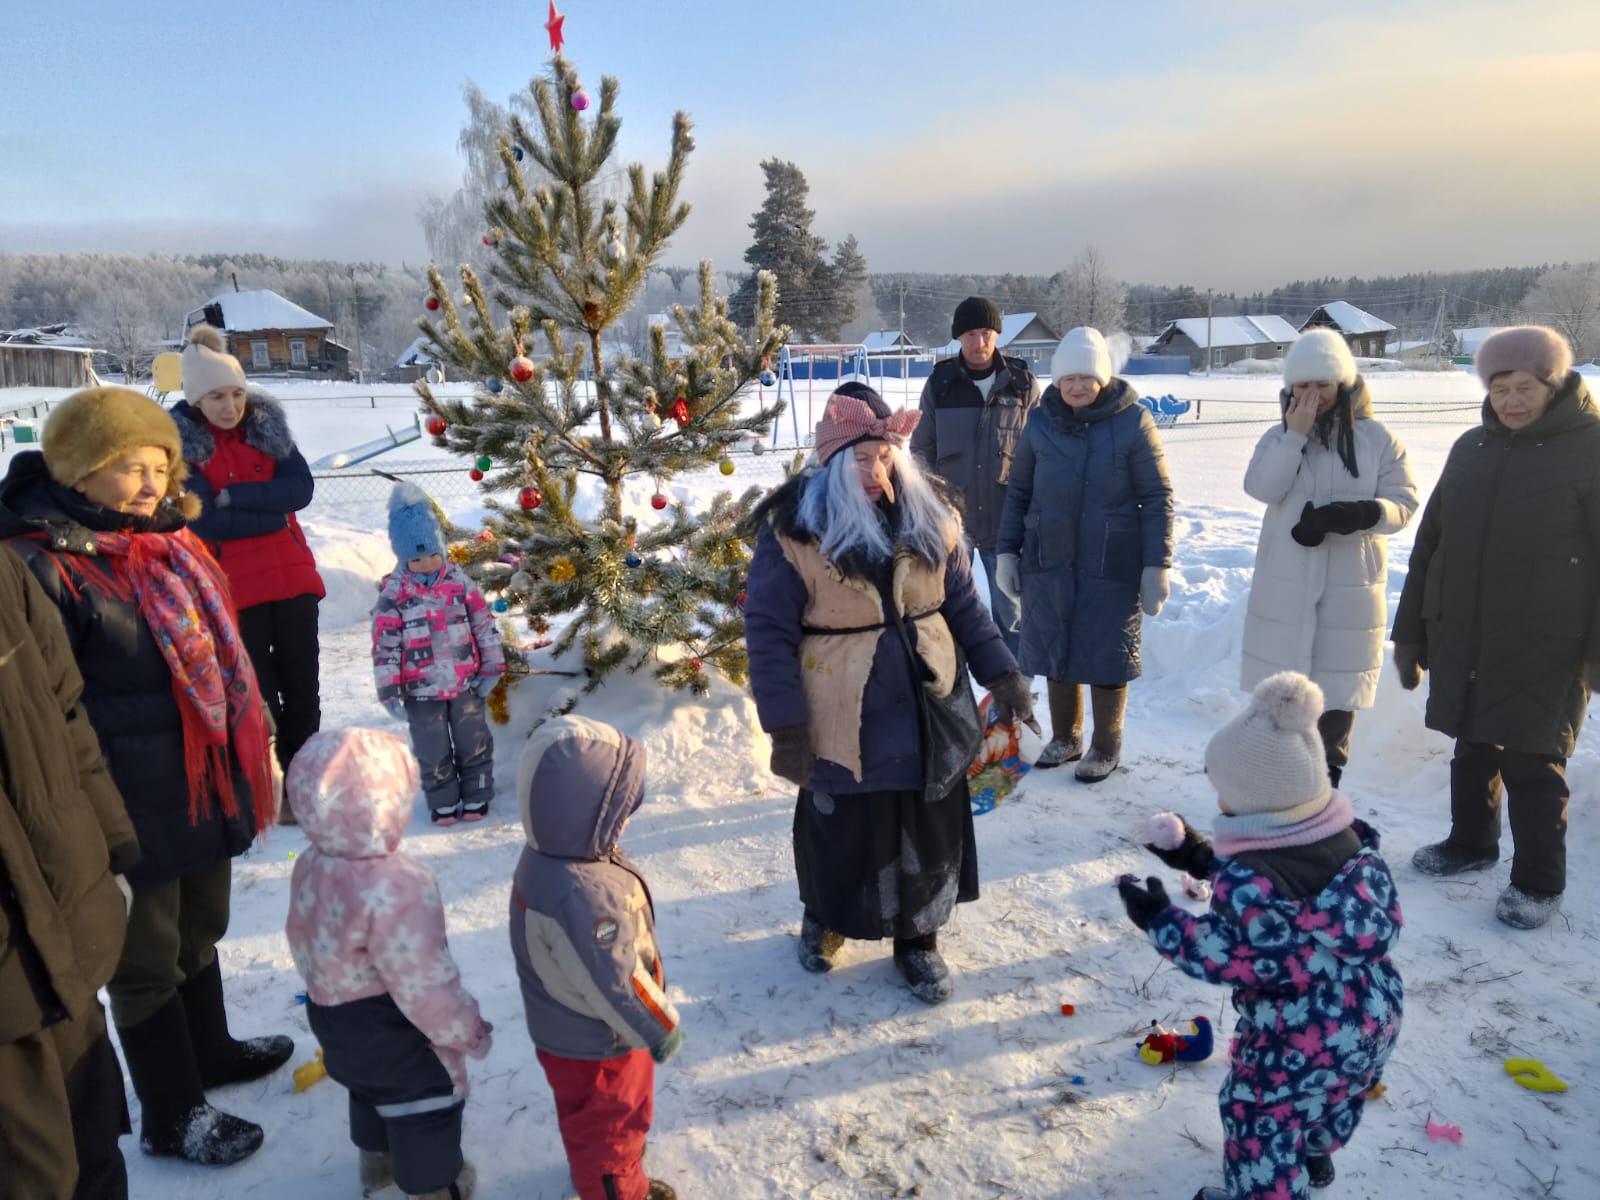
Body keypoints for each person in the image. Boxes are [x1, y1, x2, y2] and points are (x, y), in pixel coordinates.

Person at [0, 386, 290, 1166]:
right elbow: (45, 708)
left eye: (159, 464)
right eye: (128, 467)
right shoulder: (41, 565)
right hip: (125, 796)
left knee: (199, 928)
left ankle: (213, 1052)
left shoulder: (170, 544)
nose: (151, 481)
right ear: (80, 470)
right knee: (145, 958)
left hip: (199, 778)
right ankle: (172, 1111)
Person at [743, 382, 1037, 1004]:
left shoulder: (931, 518)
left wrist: (1003, 675)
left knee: (929, 826)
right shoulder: (793, 534)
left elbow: (964, 606)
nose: (873, 471)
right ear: (829, 463)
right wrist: (787, 727)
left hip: (932, 706)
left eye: (883, 456)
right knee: (842, 824)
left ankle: (919, 941)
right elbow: (767, 636)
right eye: (857, 459)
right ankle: (824, 917)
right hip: (840, 713)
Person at [1116, 672, 1403, 1200]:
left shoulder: (1255, 885)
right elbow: (1284, 900)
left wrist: (1159, 919)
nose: (1219, 801)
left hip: (1301, 1034)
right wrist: (1199, 858)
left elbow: (1221, 954)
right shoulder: (1348, 847)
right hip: (1373, 1016)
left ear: (1258, 806)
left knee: (1259, 1120)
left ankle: (1268, 1187)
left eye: (1226, 793)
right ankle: (1313, 1153)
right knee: (1333, 1095)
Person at [1392, 325, 1599, 929]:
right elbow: (1431, 546)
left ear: (1553, 383)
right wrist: (1412, 633)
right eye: (1500, 387)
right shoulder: (1470, 448)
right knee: (1473, 745)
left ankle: (1537, 883)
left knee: (1534, 761)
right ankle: (1470, 845)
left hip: (1549, 640)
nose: (1511, 400)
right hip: (1467, 631)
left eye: (1525, 387)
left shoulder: (1589, 448)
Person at [286, 728, 490, 1200]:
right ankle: (432, 1187)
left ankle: (378, 1170)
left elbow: (301, 936)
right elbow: (425, 984)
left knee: (369, 1088)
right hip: (391, 1026)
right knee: (425, 1105)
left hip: (333, 1018)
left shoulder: (312, 863)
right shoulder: (396, 882)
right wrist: (467, 1030)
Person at [0, 544, 139, 1200]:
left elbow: (64, 707)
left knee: (94, 1142)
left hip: (62, 913)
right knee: (34, 1174)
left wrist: (111, 846)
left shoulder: (3, 573)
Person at [509, 715, 681, 1200]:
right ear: (583, 808)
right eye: (618, 808)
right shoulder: (584, 894)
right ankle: (613, 1187)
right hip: (600, 1040)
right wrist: (659, 1027)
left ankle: (603, 1168)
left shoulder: (551, 855)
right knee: (610, 1126)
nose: (625, 819)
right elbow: (617, 981)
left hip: (567, 1031)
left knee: (589, 1116)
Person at [994, 327, 1174, 781]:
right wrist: (1007, 553)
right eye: (1068, 377)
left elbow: (1157, 496)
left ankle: (1105, 745)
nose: (1077, 386)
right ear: (1057, 380)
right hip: (1047, 558)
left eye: (1086, 377)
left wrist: (1157, 565)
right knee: (1057, 649)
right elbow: (1018, 492)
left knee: (1106, 653)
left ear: (1102, 377)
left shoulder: (1133, 422)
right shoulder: (1039, 422)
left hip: (1111, 562)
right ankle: (1066, 737)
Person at [1240, 329, 1418, 786]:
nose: (1311, 395)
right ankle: (1273, 794)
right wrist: (1293, 439)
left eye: (1322, 384)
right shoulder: (1276, 438)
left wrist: (1365, 513)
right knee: (1280, 701)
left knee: (1334, 704)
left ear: (1344, 385)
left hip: (1349, 593)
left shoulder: (1379, 440)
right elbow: (1262, 488)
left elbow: (1404, 505)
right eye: (1302, 385)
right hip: (1286, 587)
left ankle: (1322, 797)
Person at [171, 324, 325, 811]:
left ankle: (299, 791)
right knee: (260, 695)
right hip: (235, 589)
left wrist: (237, 495)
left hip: (294, 580)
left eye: (237, 393)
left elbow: (300, 490)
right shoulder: (183, 448)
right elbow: (206, 521)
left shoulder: (268, 429)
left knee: (303, 688)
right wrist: (270, 511)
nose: (230, 406)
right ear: (196, 399)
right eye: (217, 396)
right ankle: (266, 786)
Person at [910, 296, 1041, 656]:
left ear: (997, 334)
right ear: (958, 338)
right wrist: (932, 508)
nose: (979, 343)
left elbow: (1042, 452)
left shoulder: (1022, 384)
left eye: (986, 333)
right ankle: (955, 698)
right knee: (947, 610)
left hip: (1007, 521)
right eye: (970, 335)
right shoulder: (941, 384)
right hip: (954, 524)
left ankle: (1012, 700)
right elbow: (921, 451)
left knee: (1011, 614)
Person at [373, 483, 504, 824]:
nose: (427, 563)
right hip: (421, 691)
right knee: (432, 749)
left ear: (442, 548)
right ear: (402, 556)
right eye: (416, 558)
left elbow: (483, 625)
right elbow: (385, 645)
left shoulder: (459, 582)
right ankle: (442, 799)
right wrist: (389, 690)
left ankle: (477, 794)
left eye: (433, 554)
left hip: (466, 684)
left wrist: (491, 669)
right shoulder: (395, 593)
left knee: (473, 740)